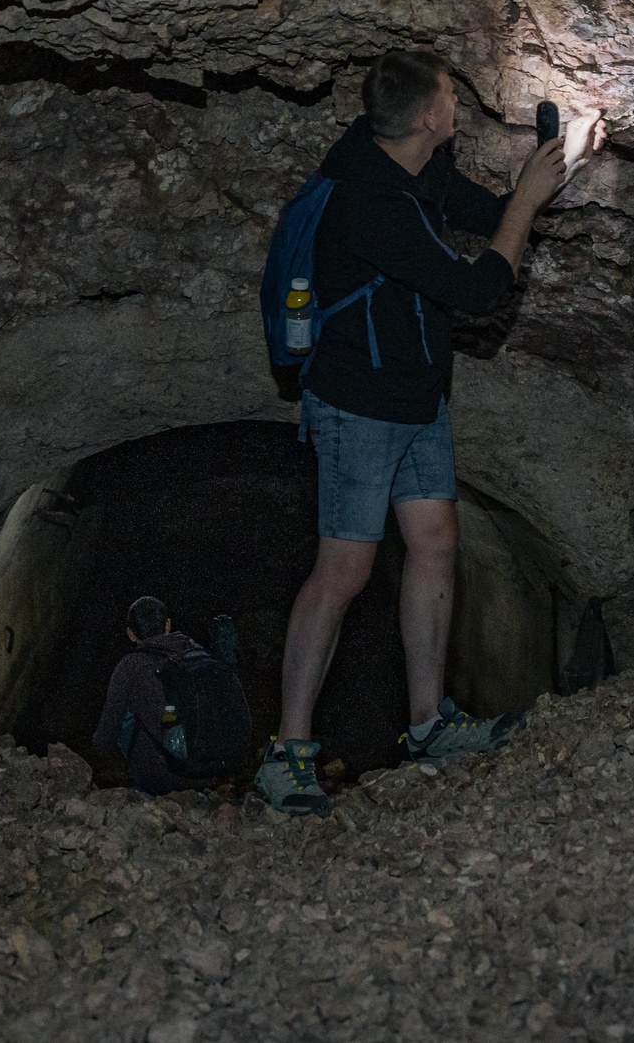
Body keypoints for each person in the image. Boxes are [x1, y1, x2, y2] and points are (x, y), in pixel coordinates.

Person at [255, 49, 600, 816]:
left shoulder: (414, 167)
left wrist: (557, 166)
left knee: (436, 543)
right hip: (358, 405)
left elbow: (490, 214)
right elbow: (478, 290)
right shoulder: (367, 204)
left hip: (416, 396)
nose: (457, 102)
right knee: (342, 572)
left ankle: (427, 724)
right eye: (451, 95)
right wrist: (526, 206)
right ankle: (288, 752)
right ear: (428, 118)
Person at [92, 595, 201, 796]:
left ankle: (146, 792)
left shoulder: (130, 667)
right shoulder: (196, 655)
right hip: (206, 771)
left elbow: (104, 740)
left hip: (161, 777)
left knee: (128, 717)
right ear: (168, 626)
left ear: (131, 635)